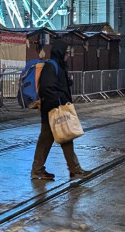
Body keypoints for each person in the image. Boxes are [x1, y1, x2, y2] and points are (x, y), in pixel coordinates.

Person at [30, 41, 89, 181]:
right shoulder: (51, 66)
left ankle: (41, 170)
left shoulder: (59, 66)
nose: (68, 55)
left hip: (56, 110)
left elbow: (57, 86)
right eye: (67, 52)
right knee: (55, 139)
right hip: (52, 111)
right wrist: (58, 104)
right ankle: (73, 170)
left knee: (59, 139)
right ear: (60, 52)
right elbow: (47, 89)